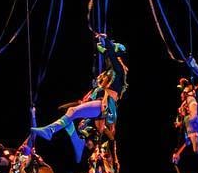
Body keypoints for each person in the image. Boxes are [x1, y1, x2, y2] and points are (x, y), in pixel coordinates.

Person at [32, 34, 128, 163]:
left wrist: (105, 40)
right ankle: (78, 143)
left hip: (104, 105)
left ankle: (50, 130)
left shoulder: (119, 72)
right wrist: (99, 41)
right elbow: (105, 52)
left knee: (72, 112)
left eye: (111, 57)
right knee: (72, 121)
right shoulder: (105, 75)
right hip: (99, 105)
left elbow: (110, 54)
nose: (107, 60)